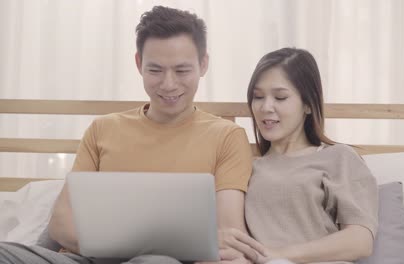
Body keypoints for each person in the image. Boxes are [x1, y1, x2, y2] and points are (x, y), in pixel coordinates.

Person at [0, 6, 253, 264]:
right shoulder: (103, 129)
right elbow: (61, 224)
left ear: (203, 64)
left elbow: (228, 234)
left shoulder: (227, 137)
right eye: (155, 70)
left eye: (181, 71)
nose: (168, 84)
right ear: (138, 63)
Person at [220, 48, 378, 264]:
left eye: (280, 97)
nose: (266, 107)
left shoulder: (339, 157)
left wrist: (275, 255)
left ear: (308, 104)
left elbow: (360, 240)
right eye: (258, 97)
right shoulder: (246, 168)